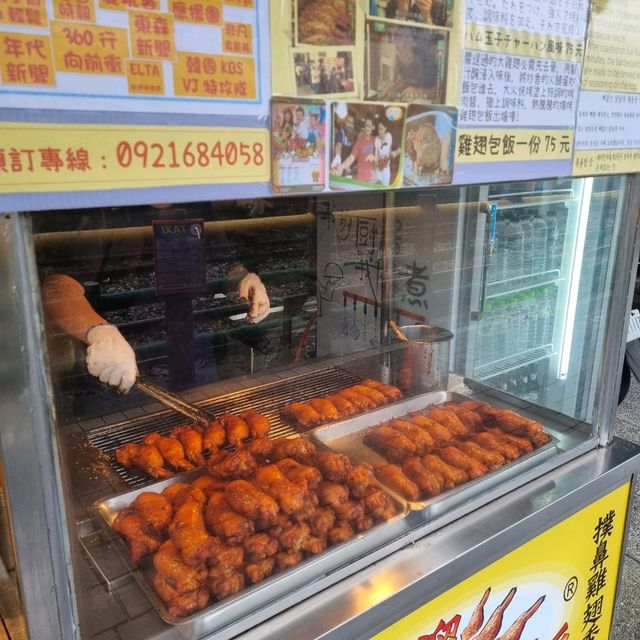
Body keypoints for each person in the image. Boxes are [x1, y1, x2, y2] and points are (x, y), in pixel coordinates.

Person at [41, 220, 270, 394]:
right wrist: (100, 333)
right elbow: (57, 285)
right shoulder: (109, 211)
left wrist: (246, 280)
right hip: (121, 369)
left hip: (198, 360)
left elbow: (225, 264)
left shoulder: (196, 202)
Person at [381, 25, 439, 101]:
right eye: (392, 35)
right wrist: (393, 87)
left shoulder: (426, 60)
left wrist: (417, 92)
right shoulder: (398, 57)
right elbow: (406, 78)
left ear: (412, 41)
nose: (392, 40)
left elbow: (438, 93)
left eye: (398, 36)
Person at [332, 114, 376, 183]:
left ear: (373, 127)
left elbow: (382, 159)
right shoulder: (359, 141)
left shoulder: (375, 140)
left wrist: (375, 159)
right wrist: (341, 167)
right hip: (361, 179)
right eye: (366, 125)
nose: (367, 128)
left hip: (373, 179)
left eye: (369, 126)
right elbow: (351, 158)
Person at [374, 119, 401, 185]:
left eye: (381, 129)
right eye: (378, 129)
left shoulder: (389, 136)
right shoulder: (376, 139)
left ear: (385, 129)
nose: (379, 131)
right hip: (378, 168)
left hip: (386, 169)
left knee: (385, 187)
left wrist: (394, 153)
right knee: (378, 186)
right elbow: (376, 155)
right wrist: (376, 162)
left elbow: (396, 150)